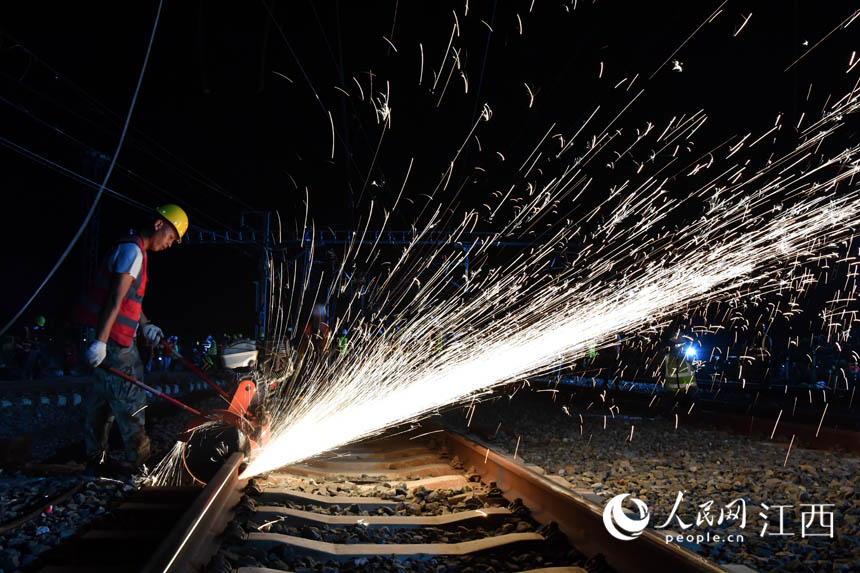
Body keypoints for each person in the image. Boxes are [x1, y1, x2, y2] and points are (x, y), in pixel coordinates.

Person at [73, 204, 188, 472]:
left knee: (102, 401)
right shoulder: (133, 252)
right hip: (114, 340)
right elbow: (115, 298)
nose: (169, 244)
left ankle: (95, 460)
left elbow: (127, 300)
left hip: (109, 337)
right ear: (159, 225)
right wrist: (101, 342)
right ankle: (141, 464)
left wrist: (147, 325)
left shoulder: (131, 248)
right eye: (171, 236)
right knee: (132, 400)